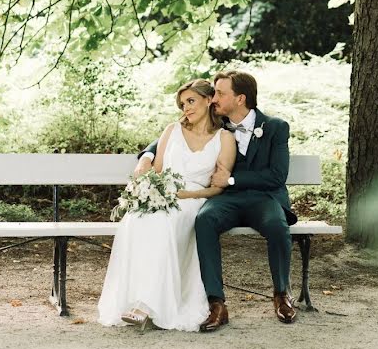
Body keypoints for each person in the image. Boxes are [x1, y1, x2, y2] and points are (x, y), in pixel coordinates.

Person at [136, 70, 298, 331]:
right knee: (205, 220)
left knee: (277, 225)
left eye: (221, 93)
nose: (213, 99)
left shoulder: (275, 127)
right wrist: (146, 155)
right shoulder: (218, 125)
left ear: (240, 99)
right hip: (226, 200)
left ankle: (282, 294)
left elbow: (277, 176)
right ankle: (216, 304)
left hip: (264, 198)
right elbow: (173, 134)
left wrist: (232, 180)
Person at [98, 79, 236, 331]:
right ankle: (135, 300)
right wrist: (151, 189)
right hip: (165, 196)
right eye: (183, 104)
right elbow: (158, 171)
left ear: (209, 100)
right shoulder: (172, 130)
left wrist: (190, 195)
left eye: (191, 101)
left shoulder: (224, 138)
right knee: (138, 220)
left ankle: (146, 306)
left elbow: (219, 185)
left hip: (196, 199)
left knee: (164, 224)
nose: (186, 108)